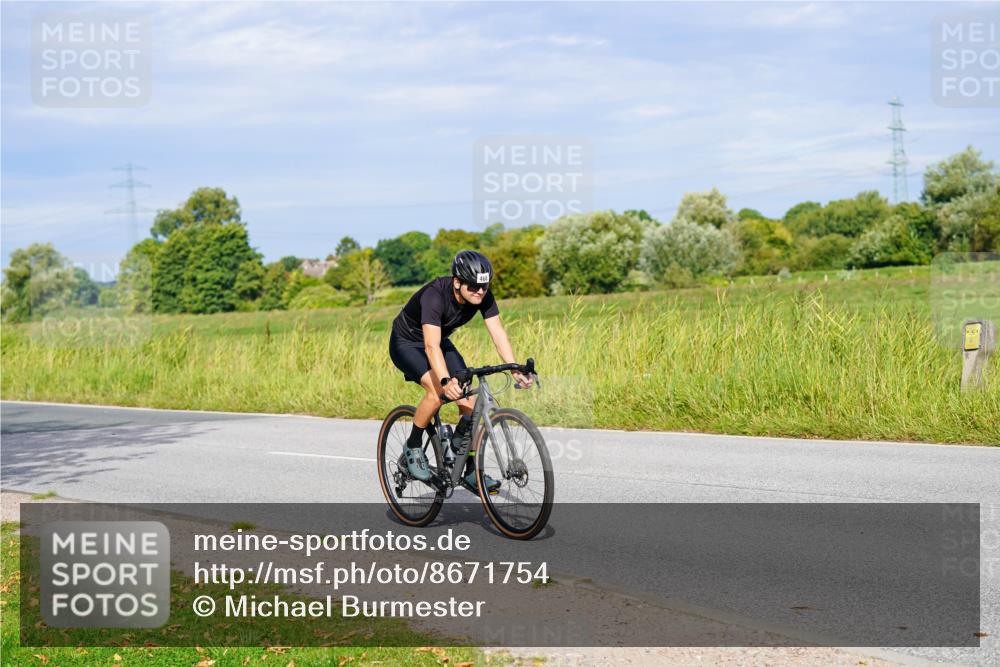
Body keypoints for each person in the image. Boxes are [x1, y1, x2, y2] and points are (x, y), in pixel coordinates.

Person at [388, 250, 532, 493]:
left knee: (470, 402)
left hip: (438, 339)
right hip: (407, 343)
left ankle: (469, 469)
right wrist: (445, 381)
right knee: (437, 392)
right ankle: (413, 446)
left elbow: (498, 334)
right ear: (457, 282)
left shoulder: (483, 296)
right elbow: (430, 346)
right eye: (474, 286)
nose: (480, 292)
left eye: (484, 287)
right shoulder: (435, 296)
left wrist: (515, 367)